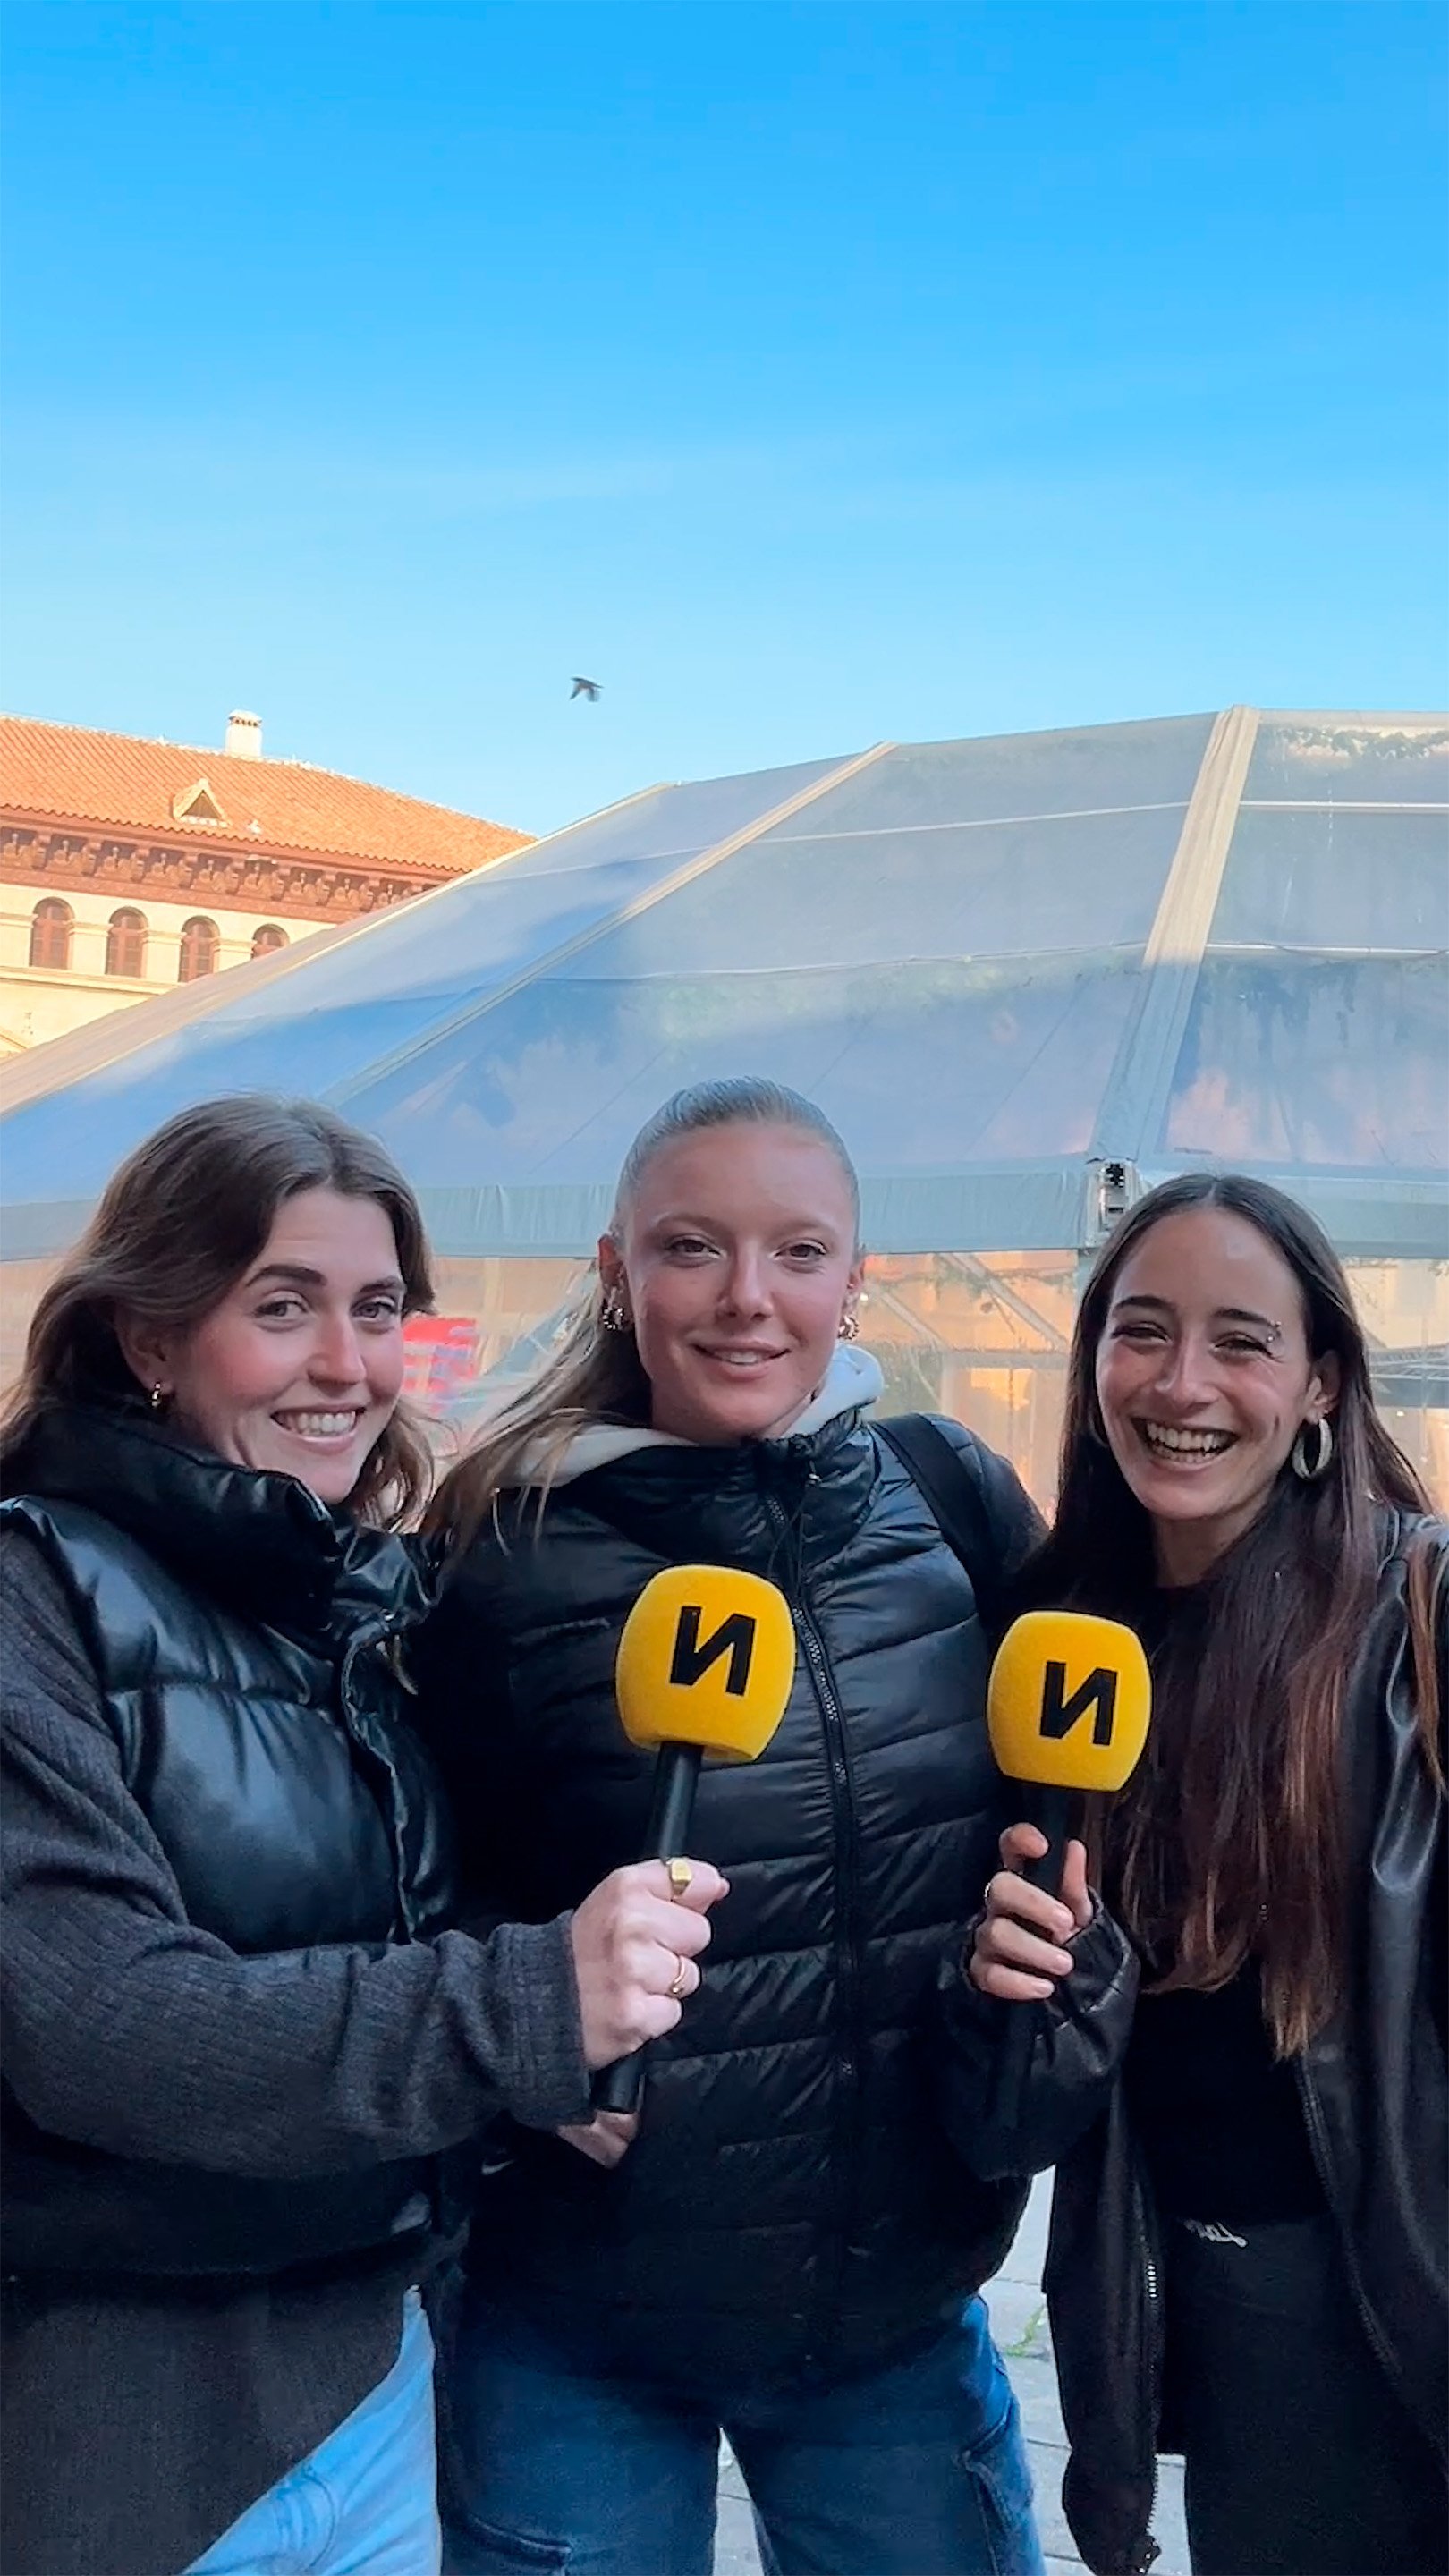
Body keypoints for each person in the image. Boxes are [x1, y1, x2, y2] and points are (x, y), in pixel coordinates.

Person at [0, 1095, 724, 2576]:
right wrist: (517, 2004)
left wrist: (537, 2067)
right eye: (283, 1307)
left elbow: (374, 1931)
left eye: (377, 1309)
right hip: (121, 2435)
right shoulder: (33, 1596)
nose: (346, 1365)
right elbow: (94, 2021)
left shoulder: (363, 1602)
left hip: (376, 2380)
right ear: (147, 1339)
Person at [413, 1075, 1049, 2576]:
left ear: (857, 1274)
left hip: (887, 2315)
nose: (748, 1301)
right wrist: (515, 2045)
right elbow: (387, 1866)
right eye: (692, 1249)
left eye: (799, 1253)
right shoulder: (495, 1548)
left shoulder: (948, 1498)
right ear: (615, 1271)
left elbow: (1067, 1804)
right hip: (578, 2323)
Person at [945, 1173, 1446, 2576]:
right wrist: (1014, 1994)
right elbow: (1012, 2119)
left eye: (1241, 1339)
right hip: (1214, 2291)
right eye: (1141, 1330)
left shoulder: (1420, 1614)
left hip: (1406, 2281)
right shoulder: (1050, 1633)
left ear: (1323, 1383)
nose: (1182, 1384)